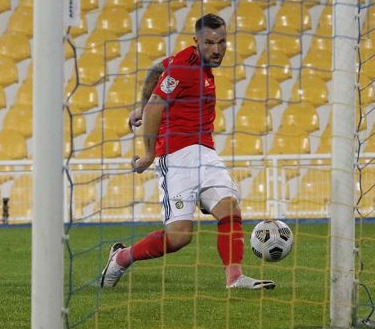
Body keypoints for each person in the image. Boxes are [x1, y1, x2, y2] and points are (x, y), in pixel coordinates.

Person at [100, 14, 275, 290]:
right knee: (179, 238)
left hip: (205, 153)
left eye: (221, 42)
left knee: (230, 208)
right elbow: (157, 105)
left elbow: (157, 69)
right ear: (197, 41)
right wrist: (147, 153)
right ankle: (122, 257)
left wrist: (142, 104)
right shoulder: (185, 66)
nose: (216, 50)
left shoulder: (189, 65)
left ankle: (235, 278)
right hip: (176, 157)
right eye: (209, 43)